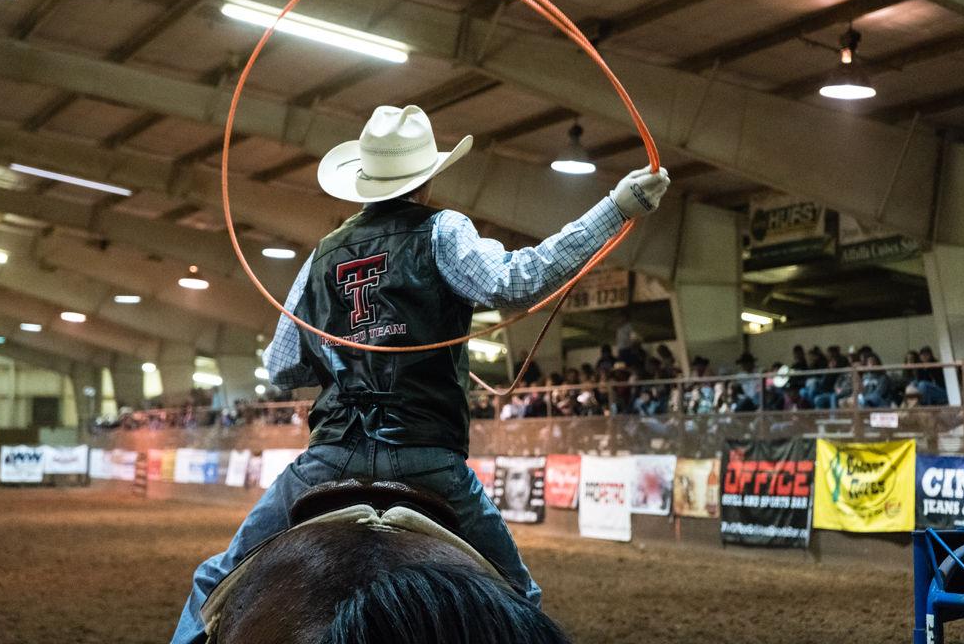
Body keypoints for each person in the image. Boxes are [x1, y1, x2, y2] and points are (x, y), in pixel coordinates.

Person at [170, 105, 671, 644]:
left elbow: (281, 367)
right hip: (427, 455)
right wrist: (616, 208)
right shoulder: (442, 231)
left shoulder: (323, 255)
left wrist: (347, 344)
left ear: (363, 178)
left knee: (213, 582)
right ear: (427, 178)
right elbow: (515, 282)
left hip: (332, 455)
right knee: (519, 599)